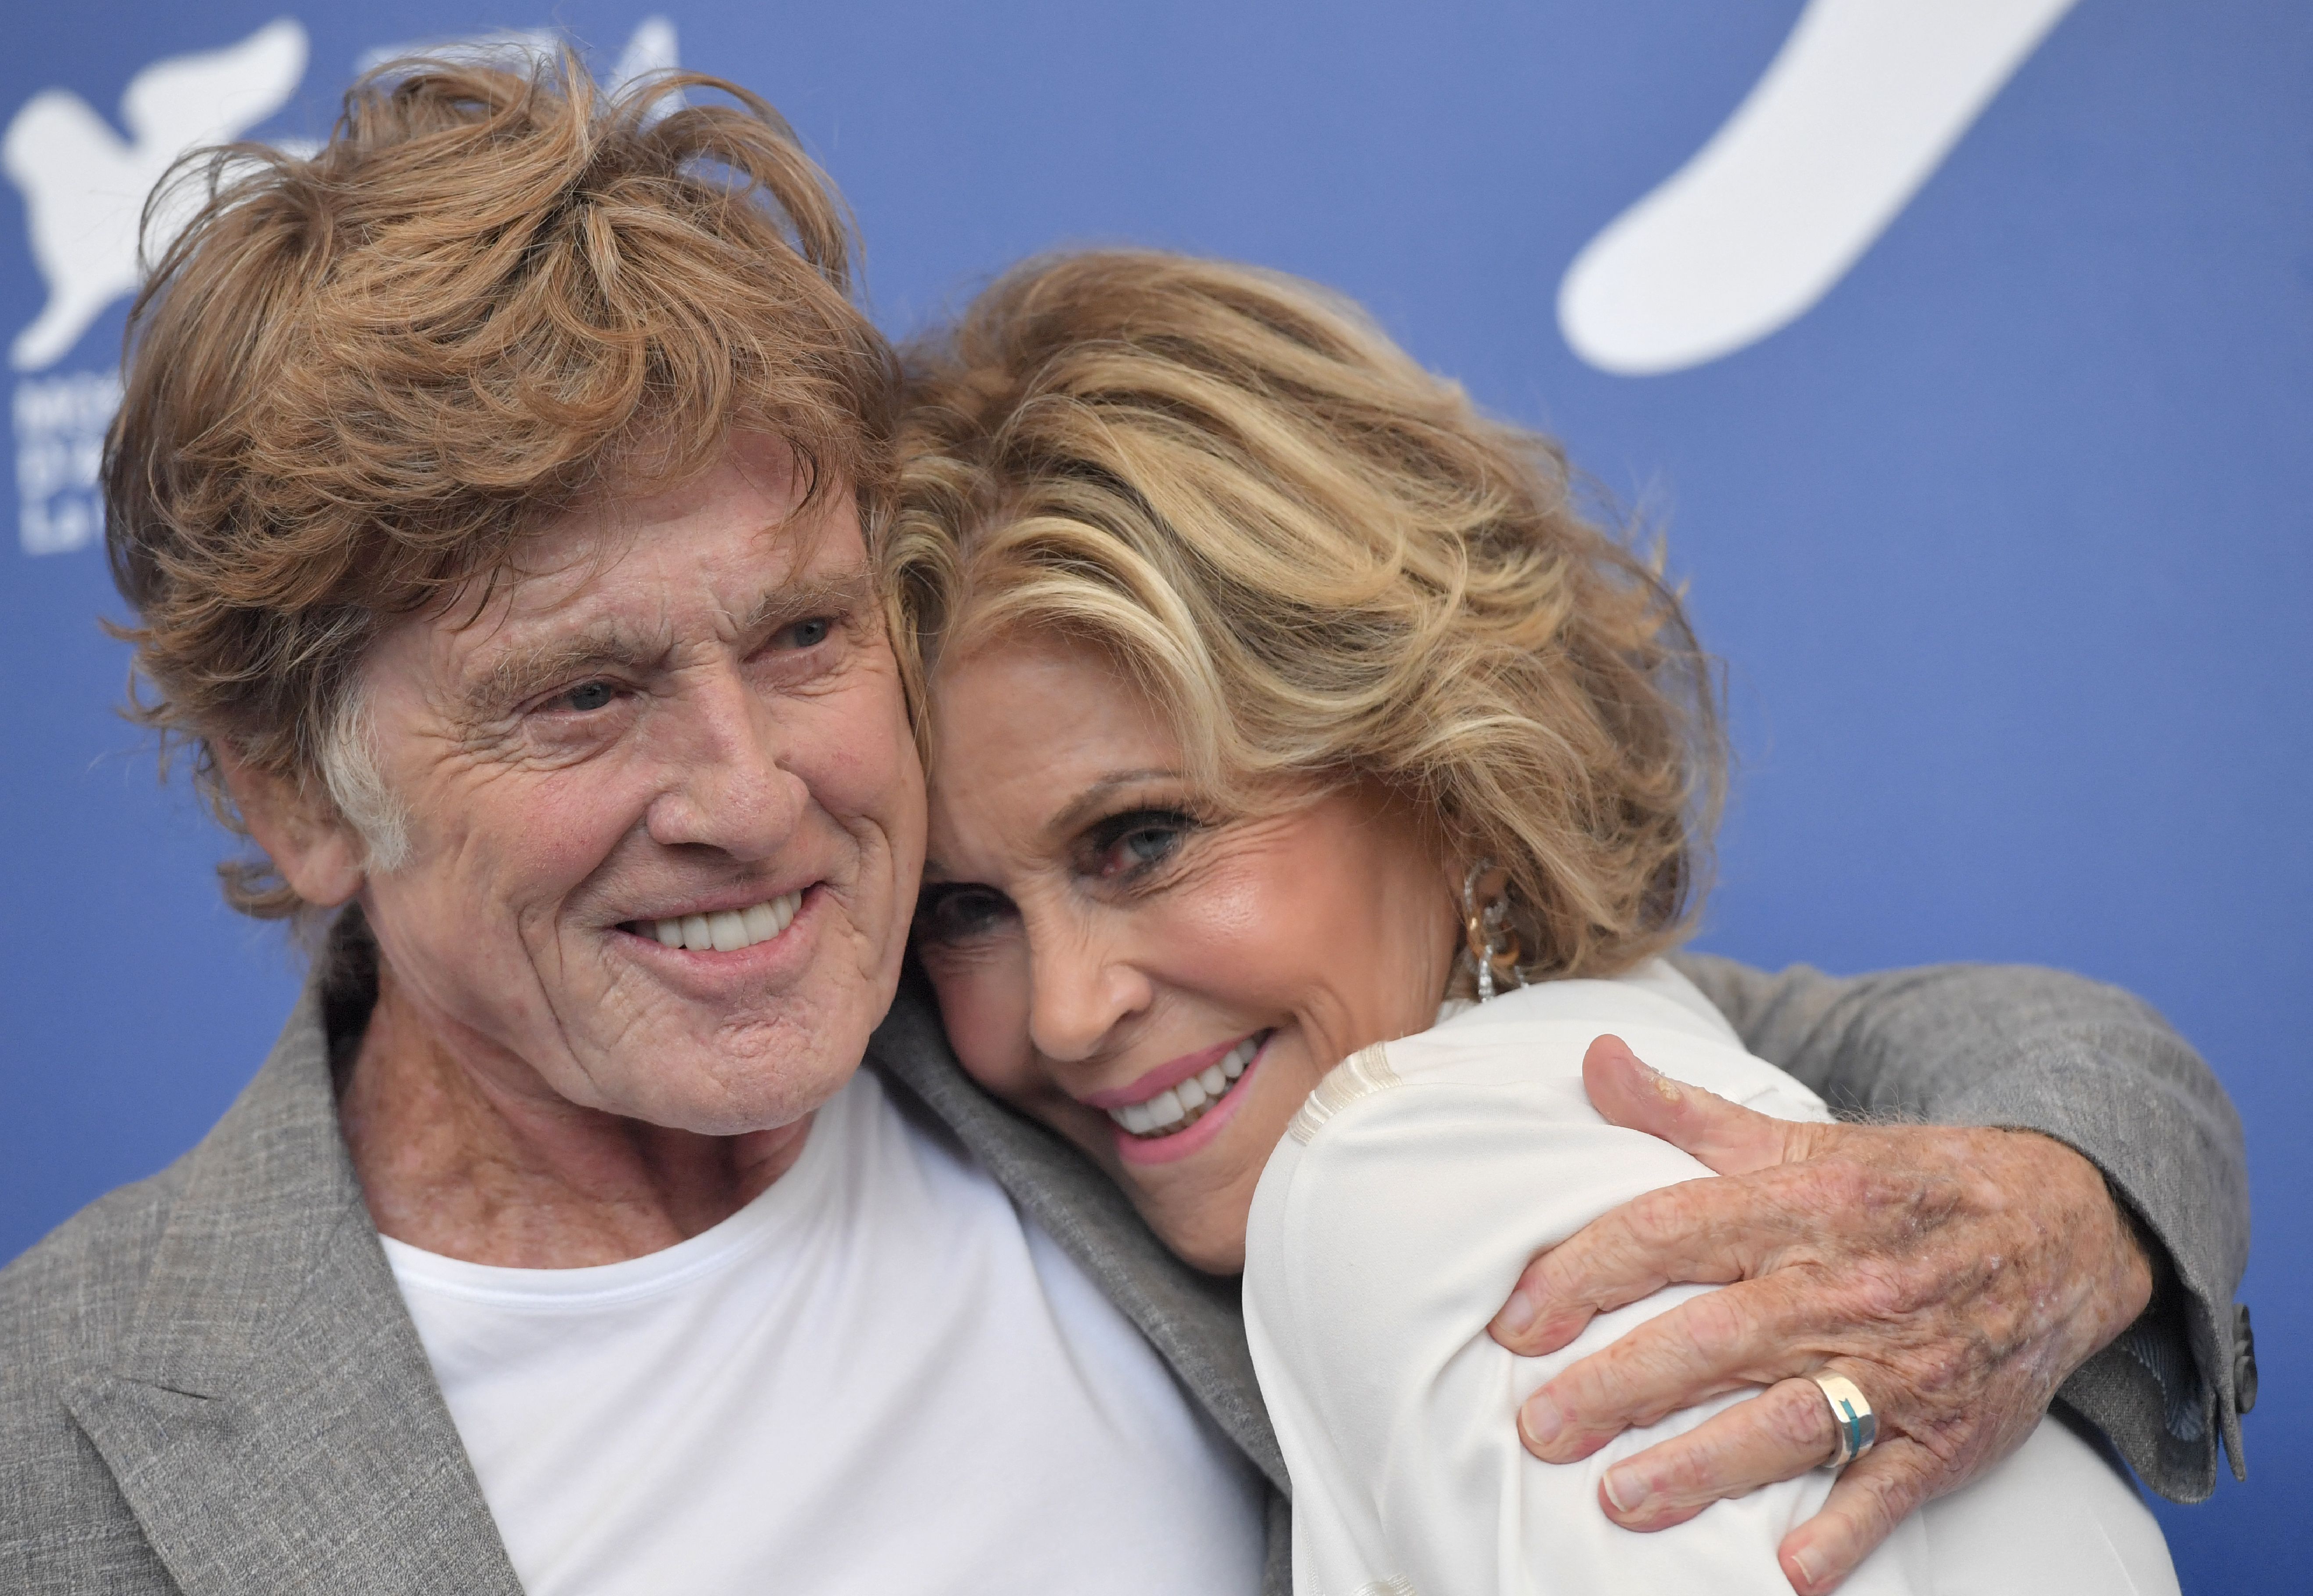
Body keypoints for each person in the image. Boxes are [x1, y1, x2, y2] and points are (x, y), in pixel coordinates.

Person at [0, 56, 2242, 1596]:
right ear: (298, 790)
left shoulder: (1084, 1054)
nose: (751, 794)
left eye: (800, 641)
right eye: (583, 695)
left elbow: (1901, 1041)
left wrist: (2063, 1216)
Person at [888, 249, 2223, 1592]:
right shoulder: (858, 1074)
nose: (1064, 1011)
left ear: (1443, 770)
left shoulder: (1437, 1160)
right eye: (963, 910)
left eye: (1144, 841)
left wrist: (2066, 1216)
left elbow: (2062, 1056)